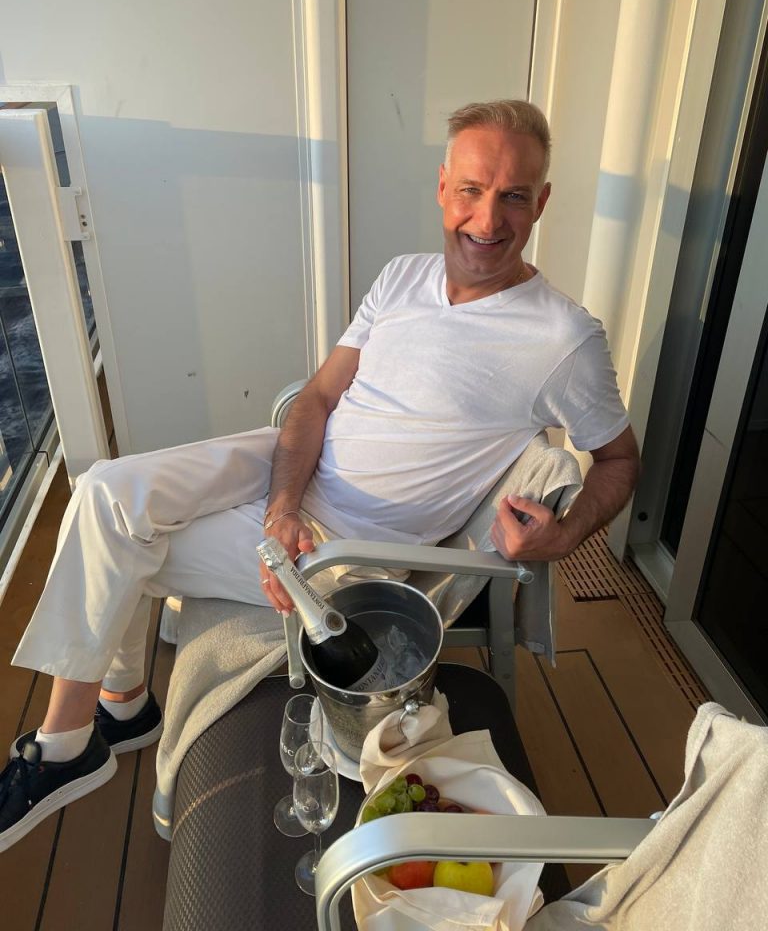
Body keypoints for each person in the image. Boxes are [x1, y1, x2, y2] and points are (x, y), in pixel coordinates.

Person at [0, 99, 639, 851]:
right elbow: (316, 399)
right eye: (471, 189)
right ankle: (123, 707)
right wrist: (283, 506)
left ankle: (68, 744)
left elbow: (620, 459)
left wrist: (563, 536)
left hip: (352, 547)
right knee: (106, 490)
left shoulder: (562, 337)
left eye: (514, 197)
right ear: (443, 187)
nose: (488, 219)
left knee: (116, 546)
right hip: (291, 474)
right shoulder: (403, 278)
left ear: (543, 202)